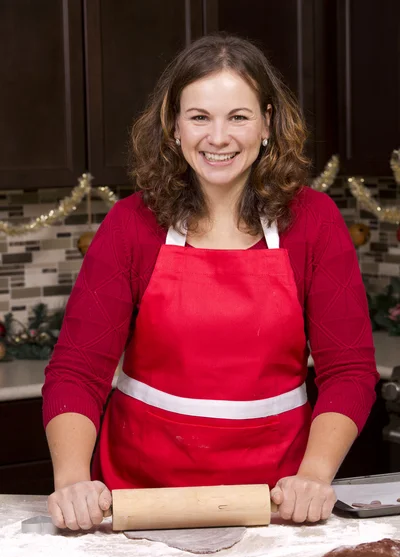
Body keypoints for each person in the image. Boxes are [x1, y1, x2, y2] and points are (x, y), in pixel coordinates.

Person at [43, 33, 379, 531]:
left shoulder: (314, 221)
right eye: (199, 116)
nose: (217, 137)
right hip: (140, 495)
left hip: (274, 501)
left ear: (268, 122)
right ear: (174, 126)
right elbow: (77, 370)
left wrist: (313, 475)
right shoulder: (133, 224)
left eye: (238, 117)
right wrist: (72, 480)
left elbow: (350, 370)